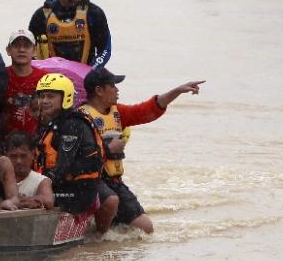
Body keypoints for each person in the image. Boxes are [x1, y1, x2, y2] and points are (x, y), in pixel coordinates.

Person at [80, 68, 205, 235]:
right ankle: (99, 239)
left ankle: (106, 231)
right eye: (113, 86)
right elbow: (78, 157)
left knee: (146, 229)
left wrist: (177, 91)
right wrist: (108, 149)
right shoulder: (80, 118)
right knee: (111, 204)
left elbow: (148, 111)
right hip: (92, 181)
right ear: (99, 91)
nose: (117, 90)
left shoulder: (118, 112)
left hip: (115, 181)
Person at [33, 73, 103, 215]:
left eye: (50, 96)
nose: (44, 101)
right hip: (64, 187)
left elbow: (63, 167)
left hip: (77, 193)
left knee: (29, 200)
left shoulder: (72, 125)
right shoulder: (54, 122)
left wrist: (38, 185)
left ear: (66, 97)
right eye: (42, 96)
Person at [29, 0, 111, 67]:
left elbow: (105, 49)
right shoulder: (42, 16)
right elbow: (29, 50)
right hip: (51, 79)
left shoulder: (94, 14)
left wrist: (92, 70)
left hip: (86, 77)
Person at [1, 29, 47, 137]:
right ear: (8, 50)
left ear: (34, 50)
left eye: (26, 46)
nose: (21, 50)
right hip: (6, 142)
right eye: (16, 46)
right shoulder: (0, 76)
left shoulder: (45, 78)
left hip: (38, 140)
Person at [4, 131, 54, 209]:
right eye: (13, 156)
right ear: (6, 156)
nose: (18, 161)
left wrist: (34, 200)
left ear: (33, 155)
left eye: (23, 156)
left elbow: (48, 201)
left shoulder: (42, 181)